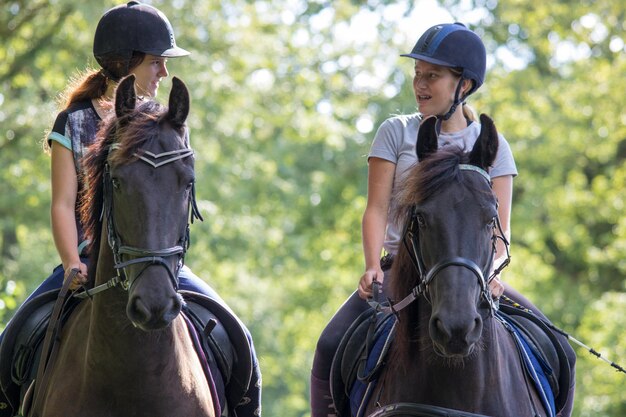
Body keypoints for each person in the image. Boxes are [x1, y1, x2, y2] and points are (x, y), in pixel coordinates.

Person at [2, 2, 262, 416]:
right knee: (12, 340)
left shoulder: (168, 123)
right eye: (157, 63)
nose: (163, 73)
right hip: (88, 261)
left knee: (239, 340)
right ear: (126, 63)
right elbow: (62, 203)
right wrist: (71, 262)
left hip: (158, 261)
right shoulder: (72, 122)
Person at [311, 22, 575, 417]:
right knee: (331, 344)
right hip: (401, 271)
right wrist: (371, 266)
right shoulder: (395, 133)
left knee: (561, 351)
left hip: (475, 276)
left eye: (432, 76)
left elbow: (499, 230)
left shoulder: (493, 147)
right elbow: (377, 209)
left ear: (464, 85)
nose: (420, 84)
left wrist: (492, 273)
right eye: (417, 74)